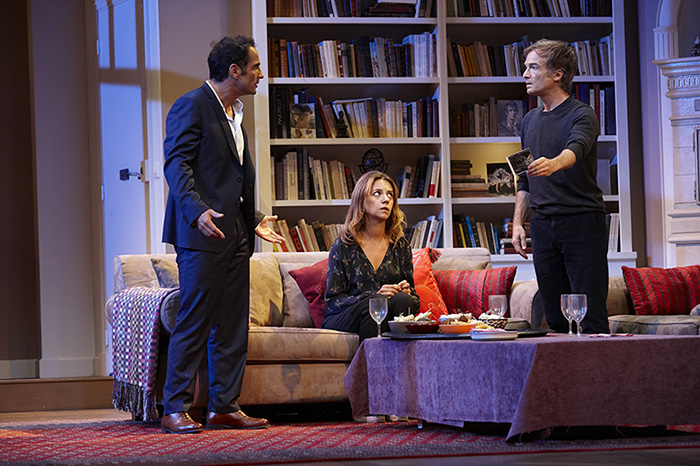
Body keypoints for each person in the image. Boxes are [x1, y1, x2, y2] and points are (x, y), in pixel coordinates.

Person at [160, 36, 284, 434]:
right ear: (235, 71)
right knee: (195, 320)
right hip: (201, 233)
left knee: (232, 324)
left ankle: (223, 407)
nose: (260, 74)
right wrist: (196, 211)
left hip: (236, 233)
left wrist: (254, 218)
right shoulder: (192, 106)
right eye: (255, 67)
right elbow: (177, 165)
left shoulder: (235, 113)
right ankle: (174, 407)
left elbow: (228, 178)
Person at [511, 39, 609, 334]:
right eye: (526, 67)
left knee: (589, 315)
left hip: (581, 220)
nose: (525, 74)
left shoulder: (582, 114)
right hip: (542, 225)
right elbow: (524, 177)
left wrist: (553, 164)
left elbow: (575, 149)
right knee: (555, 316)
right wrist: (518, 224)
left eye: (533, 67)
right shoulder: (528, 121)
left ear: (557, 74)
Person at [323, 171, 421, 342]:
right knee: (376, 302)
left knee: (402, 300)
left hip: (390, 312)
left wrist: (406, 292)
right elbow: (334, 301)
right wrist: (373, 295)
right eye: (377, 193)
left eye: (390, 194)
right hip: (347, 316)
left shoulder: (400, 246)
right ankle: (370, 359)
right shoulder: (343, 247)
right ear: (361, 200)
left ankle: (402, 359)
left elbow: (415, 301)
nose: (386, 199)